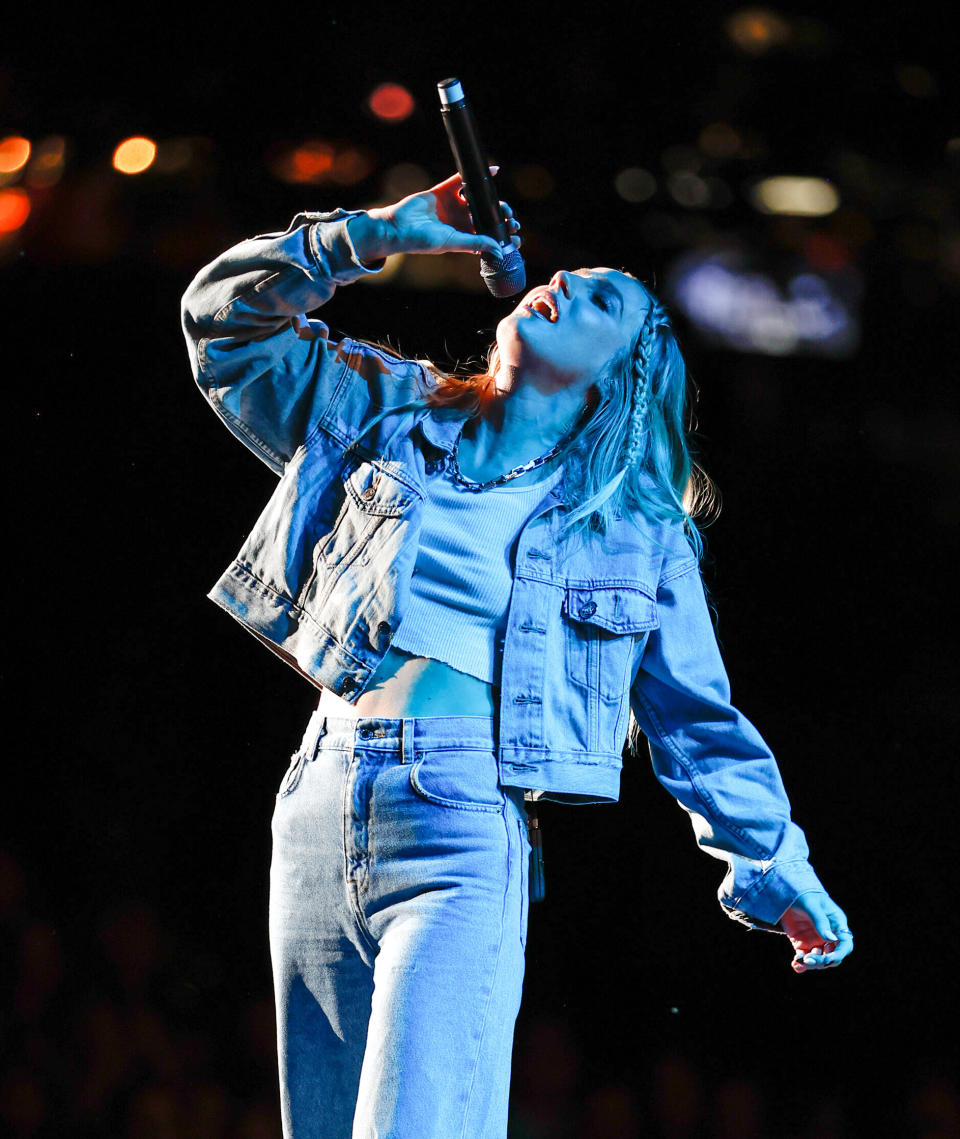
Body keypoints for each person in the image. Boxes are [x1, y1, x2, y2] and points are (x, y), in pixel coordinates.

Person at [181, 171, 853, 1139]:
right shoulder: (385, 412)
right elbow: (222, 322)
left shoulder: (633, 528)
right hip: (319, 800)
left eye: (603, 295)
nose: (566, 283)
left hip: (459, 828)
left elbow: (697, 720)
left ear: (626, 370)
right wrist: (388, 230)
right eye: (568, 272)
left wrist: (774, 862)